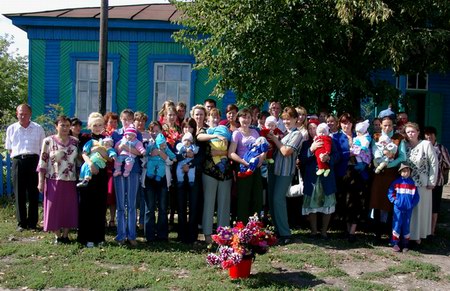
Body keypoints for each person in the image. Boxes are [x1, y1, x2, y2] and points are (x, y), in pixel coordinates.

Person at [37, 116, 79, 244]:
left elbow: (79, 161)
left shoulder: (75, 141)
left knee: (68, 208)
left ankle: (66, 235)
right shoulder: (48, 141)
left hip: (71, 180)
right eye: (62, 125)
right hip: (53, 179)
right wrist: (40, 181)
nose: (65, 128)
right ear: (56, 126)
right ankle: (57, 236)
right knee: (53, 208)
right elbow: (42, 162)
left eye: (67, 125)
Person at [5, 104, 45, 232]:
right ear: (17, 114)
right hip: (18, 161)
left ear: (30, 114)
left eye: (25, 113)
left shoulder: (38, 128)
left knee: (33, 192)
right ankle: (21, 223)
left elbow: (42, 148)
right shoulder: (11, 129)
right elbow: (10, 147)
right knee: (19, 192)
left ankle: (33, 222)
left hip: (34, 161)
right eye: (20, 113)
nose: (23, 116)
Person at [197, 105, 233, 244]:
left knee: (224, 205)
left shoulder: (225, 131)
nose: (215, 119)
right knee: (209, 203)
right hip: (209, 172)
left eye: (217, 116)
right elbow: (200, 138)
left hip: (225, 173)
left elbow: (231, 150)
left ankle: (224, 235)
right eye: (213, 116)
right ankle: (207, 234)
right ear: (208, 118)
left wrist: (221, 153)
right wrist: (215, 136)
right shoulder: (206, 131)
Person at [266, 107, 303, 244]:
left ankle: (285, 233)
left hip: (285, 172)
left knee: (278, 200)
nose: (286, 121)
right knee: (272, 200)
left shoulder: (297, 134)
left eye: (289, 118)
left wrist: (275, 140)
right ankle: (278, 230)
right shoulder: (283, 133)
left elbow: (286, 151)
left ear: (295, 119)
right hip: (274, 170)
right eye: (284, 119)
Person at [332, 113, 370, 242]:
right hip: (344, 172)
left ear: (352, 124)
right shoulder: (336, 137)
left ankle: (352, 231)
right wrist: (349, 153)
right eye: (343, 122)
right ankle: (347, 230)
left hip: (358, 172)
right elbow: (336, 155)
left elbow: (367, 150)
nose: (346, 125)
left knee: (357, 201)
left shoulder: (359, 135)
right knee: (345, 201)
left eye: (348, 122)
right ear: (340, 123)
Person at [370, 116, 406, 243]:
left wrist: (390, 164)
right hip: (379, 174)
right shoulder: (376, 136)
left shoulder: (398, 138)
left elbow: (402, 156)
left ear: (393, 126)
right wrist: (379, 160)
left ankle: (391, 233)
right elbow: (374, 151)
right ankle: (377, 234)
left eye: (389, 125)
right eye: (384, 125)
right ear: (380, 125)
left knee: (391, 203)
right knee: (377, 202)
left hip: (391, 174)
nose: (387, 128)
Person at [300, 119, 337, 238]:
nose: (312, 131)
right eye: (309, 129)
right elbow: (302, 160)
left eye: (314, 128)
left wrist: (329, 158)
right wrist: (311, 149)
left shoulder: (330, 140)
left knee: (327, 203)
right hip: (312, 179)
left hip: (326, 177)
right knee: (311, 205)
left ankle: (324, 231)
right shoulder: (306, 143)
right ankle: (314, 231)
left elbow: (338, 156)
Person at [77, 112, 109, 247]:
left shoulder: (107, 139)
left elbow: (108, 156)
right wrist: (90, 163)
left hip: (101, 174)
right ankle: (86, 237)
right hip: (88, 174)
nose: (97, 127)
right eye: (95, 125)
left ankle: (99, 237)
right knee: (86, 206)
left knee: (100, 206)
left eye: (100, 125)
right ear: (90, 126)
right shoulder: (84, 138)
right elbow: (83, 154)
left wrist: (101, 151)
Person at [112, 109, 143, 246]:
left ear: (133, 121)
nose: (126, 122)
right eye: (124, 119)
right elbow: (112, 150)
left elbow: (140, 153)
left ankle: (131, 235)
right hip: (119, 171)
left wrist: (127, 146)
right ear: (120, 119)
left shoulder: (138, 134)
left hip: (133, 170)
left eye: (129, 119)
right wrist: (120, 147)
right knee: (120, 204)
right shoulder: (115, 134)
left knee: (131, 204)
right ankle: (121, 235)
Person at [228, 108, 265, 223]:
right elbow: (231, 153)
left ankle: (255, 227)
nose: (246, 119)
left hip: (256, 168)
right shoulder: (236, 133)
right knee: (244, 198)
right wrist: (244, 162)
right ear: (238, 118)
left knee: (257, 198)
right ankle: (242, 227)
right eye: (244, 117)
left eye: (249, 117)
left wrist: (261, 158)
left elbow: (263, 148)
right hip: (244, 168)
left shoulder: (255, 132)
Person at [404, 122, 438, 245]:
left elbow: (434, 163)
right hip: (407, 184)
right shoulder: (405, 146)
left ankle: (418, 237)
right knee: (410, 211)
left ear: (418, 132)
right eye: (408, 132)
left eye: (413, 131)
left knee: (420, 210)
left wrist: (432, 181)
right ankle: (409, 235)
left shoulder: (426, 144)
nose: (410, 134)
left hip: (423, 184)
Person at [144, 133, 176, 242]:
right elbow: (143, 158)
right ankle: (150, 235)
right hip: (149, 180)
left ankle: (162, 235)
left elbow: (171, 161)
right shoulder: (149, 146)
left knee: (163, 208)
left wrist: (161, 154)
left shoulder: (166, 147)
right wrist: (150, 155)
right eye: (154, 131)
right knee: (150, 208)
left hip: (163, 179)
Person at [423, 126, 450, 237]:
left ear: (435, 136)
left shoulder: (441, 148)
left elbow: (448, 163)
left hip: (437, 182)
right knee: (424, 206)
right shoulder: (422, 147)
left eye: (431, 134)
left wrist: (439, 171)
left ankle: (432, 231)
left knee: (434, 207)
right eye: (427, 134)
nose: (429, 137)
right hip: (424, 182)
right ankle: (423, 229)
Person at [387, 163, 420, 252]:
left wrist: (412, 204)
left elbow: (416, 196)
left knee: (406, 225)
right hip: (398, 208)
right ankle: (395, 243)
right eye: (404, 171)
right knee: (397, 225)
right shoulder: (396, 182)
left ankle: (405, 244)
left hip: (408, 209)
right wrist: (395, 201)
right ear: (400, 172)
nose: (406, 173)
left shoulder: (412, 183)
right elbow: (390, 193)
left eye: (408, 171)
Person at [103, 111, 119, 228]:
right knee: (104, 194)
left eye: (114, 122)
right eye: (110, 122)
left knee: (113, 195)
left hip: (114, 168)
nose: (112, 124)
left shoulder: (118, 135)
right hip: (104, 167)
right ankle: (103, 218)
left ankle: (112, 219)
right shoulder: (103, 135)